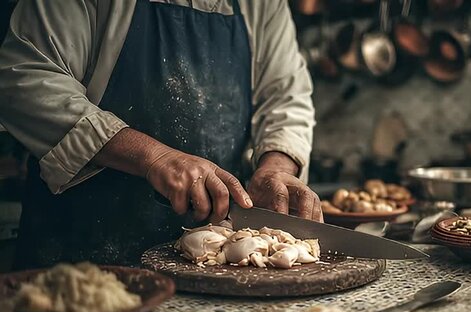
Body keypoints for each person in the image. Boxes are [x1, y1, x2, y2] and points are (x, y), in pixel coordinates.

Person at [0, 0, 321, 269]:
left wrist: (276, 167)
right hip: (79, 258)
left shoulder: (263, 4)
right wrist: (154, 157)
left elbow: (285, 97)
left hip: (213, 265)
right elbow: (23, 78)